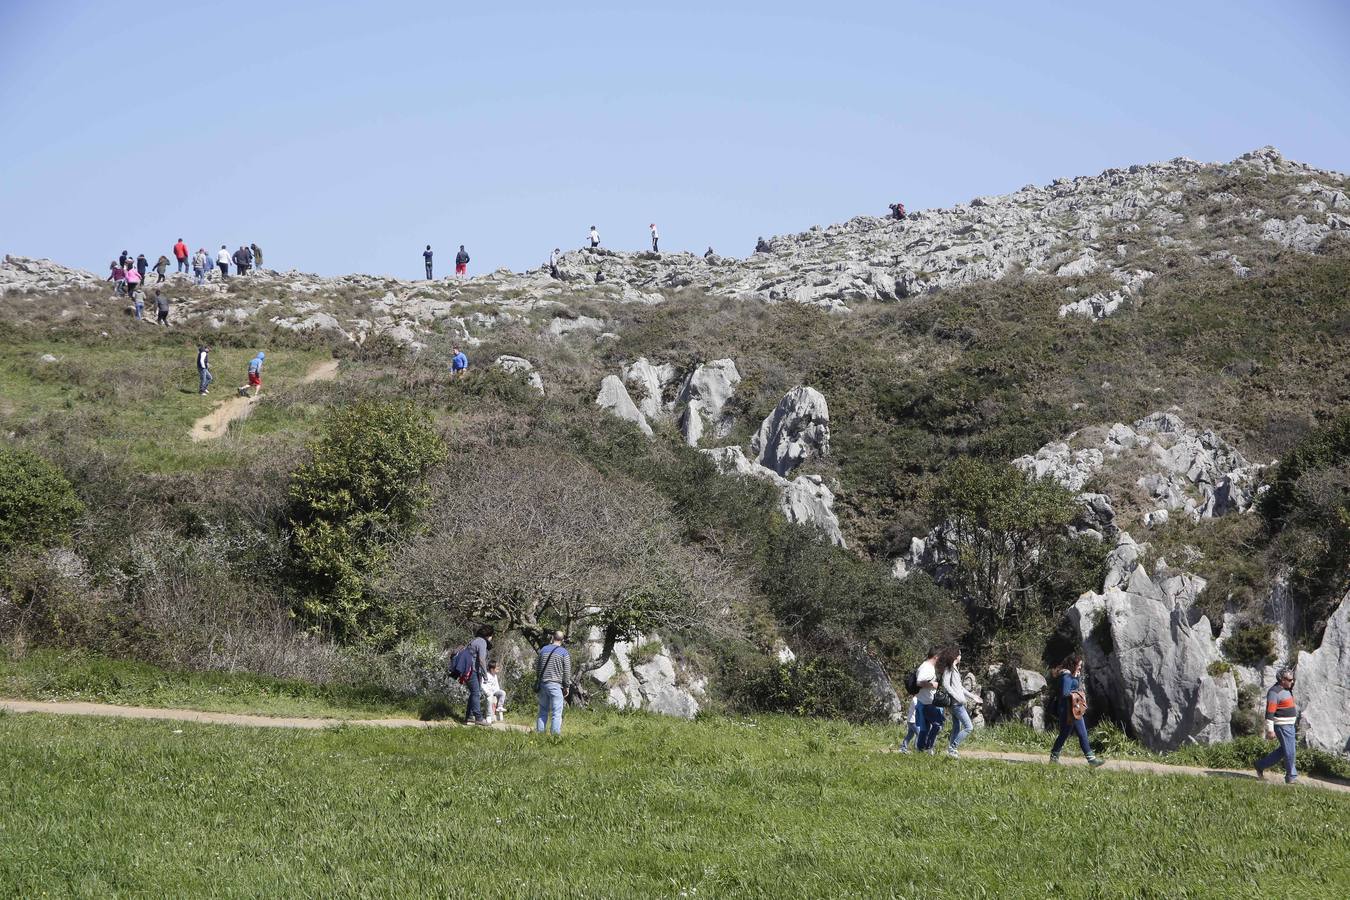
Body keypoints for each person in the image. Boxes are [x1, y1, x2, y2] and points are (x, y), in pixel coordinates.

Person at [1049, 654, 1106, 767]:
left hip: (1070, 708)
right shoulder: (1066, 676)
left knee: (1064, 734)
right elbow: (1065, 693)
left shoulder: (1070, 675)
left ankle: (1054, 758)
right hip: (1070, 709)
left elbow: (1073, 687)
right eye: (1079, 665)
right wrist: (1078, 692)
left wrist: (1076, 676)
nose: (1080, 667)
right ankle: (1092, 760)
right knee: (1082, 733)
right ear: (1073, 665)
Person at [1255, 668, 1299, 784]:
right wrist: (1270, 730)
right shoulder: (1274, 692)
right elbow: (1270, 713)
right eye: (1289, 679)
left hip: (1289, 725)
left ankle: (1260, 765)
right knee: (1290, 752)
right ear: (1281, 679)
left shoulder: (1286, 689)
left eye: (1292, 679)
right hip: (1282, 725)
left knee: (1284, 751)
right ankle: (1291, 777)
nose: (1292, 681)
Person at [940, 647, 980, 758]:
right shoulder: (949, 669)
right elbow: (946, 685)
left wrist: (973, 697)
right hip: (956, 704)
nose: (961, 657)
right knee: (969, 727)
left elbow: (960, 688)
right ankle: (953, 747)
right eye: (960, 654)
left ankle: (951, 751)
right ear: (955, 656)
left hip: (958, 703)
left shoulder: (955, 669)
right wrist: (956, 696)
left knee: (957, 727)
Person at [535, 631, 571, 735]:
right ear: (562, 640)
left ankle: (540, 734)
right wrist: (566, 686)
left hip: (543, 684)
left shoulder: (543, 650)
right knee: (556, 712)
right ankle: (554, 736)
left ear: (552, 638)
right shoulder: (564, 652)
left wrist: (539, 680)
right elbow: (567, 671)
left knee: (542, 711)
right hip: (555, 685)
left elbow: (538, 668)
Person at [913, 648, 944, 752]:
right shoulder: (927, 667)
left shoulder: (925, 666)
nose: (939, 660)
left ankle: (920, 748)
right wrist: (932, 684)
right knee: (938, 725)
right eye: (939, 658)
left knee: (925, 728)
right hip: (928, 702)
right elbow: (919, 682)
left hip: (924, 701)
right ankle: (928, 747)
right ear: (936, 657)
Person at [465, 625, 495, 726]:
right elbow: (482, 660)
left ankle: (469, 717)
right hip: (472, 671)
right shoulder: (482, 642)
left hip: (468, 670)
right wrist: (485, 675)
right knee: (476, 693)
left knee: (474, 693)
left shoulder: (475, 640)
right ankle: (479, 718)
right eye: (492, 636)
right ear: (488, 635)